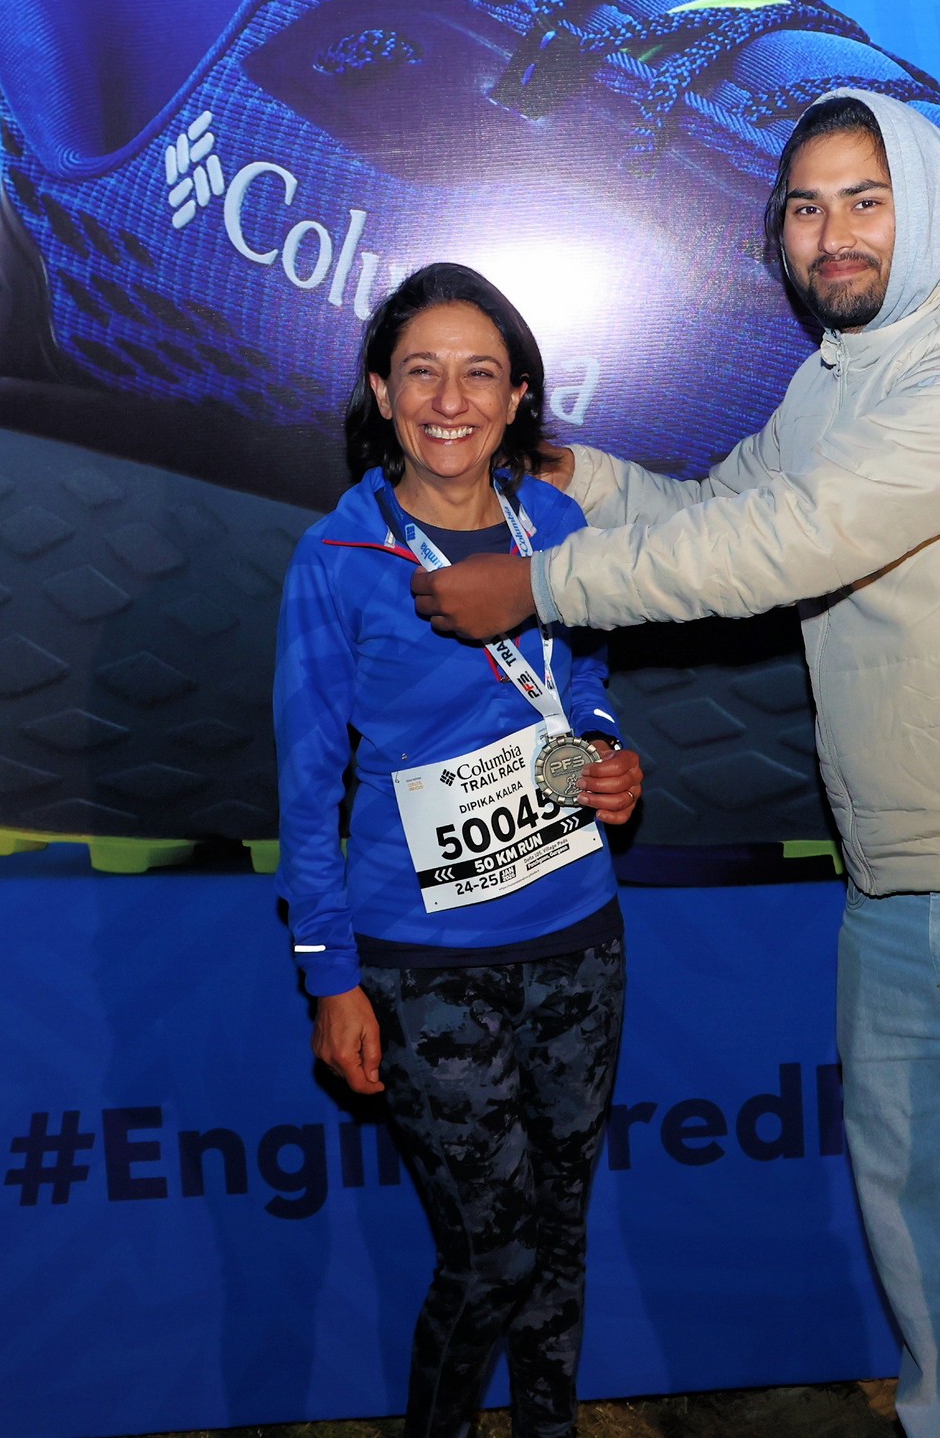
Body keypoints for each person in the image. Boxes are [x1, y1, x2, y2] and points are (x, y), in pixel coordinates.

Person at [413, 92, 940, 1438]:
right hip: (897, 880)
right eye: (804, 206)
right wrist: (582, 475)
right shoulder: (830, 385)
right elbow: (724, 511)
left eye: (865, 198)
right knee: (931, 1246)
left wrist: (544, 582)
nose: (830, 231)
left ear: (933, 205)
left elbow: (805, 537)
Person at [273, 261, 646, 1438]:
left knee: (559, 1235)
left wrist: (603, 751)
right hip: (425, 967)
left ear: (519, 394)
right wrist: (331, 978)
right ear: (382, 392)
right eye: (421, 372)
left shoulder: (560, 529)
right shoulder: (339, 559)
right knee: (496, 1250)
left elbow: (581, 682)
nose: (450, 398)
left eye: (479, 372)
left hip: (577, 939)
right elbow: (305, 791)